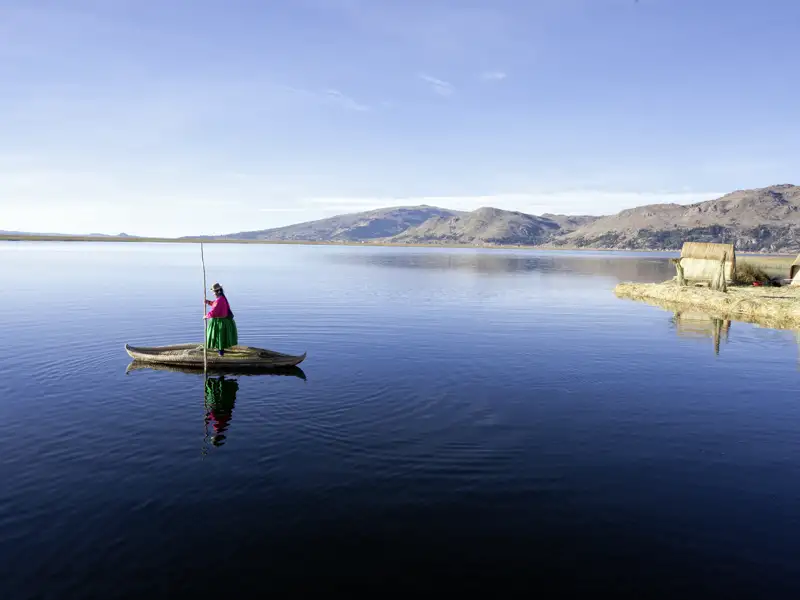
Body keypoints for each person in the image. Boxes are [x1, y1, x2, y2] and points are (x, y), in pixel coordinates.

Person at [204, 282, 238, 356]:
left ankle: (221, 354)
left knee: (219, 338)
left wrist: (206, 316)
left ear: (218, 291)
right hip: (222, 321)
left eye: (214, 292)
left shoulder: (220, 300)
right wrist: (208, 302)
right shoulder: (221, 298)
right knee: (220, 338)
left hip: (220, 323)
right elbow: (215, 304)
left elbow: (214, 311)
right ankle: (221, 352)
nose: (213, 294)